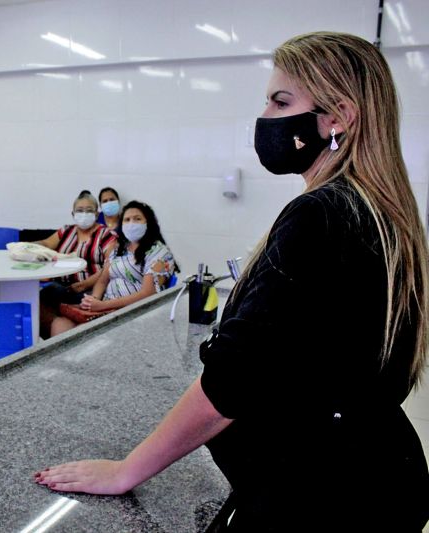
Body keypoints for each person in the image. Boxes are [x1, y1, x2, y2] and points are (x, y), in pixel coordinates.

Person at [35, 32, 429, 531]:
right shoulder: (377, 210)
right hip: (375, 474)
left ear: (339, 117)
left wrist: (126, 470)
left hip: (325, 494)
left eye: (281, 100)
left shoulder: (322, 214)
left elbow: (233, 382)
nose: (265, 116)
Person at [49, 201, 176, 336]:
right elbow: (103, 280)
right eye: (127, 220)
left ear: (148, 223)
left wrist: (103, 306)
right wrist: (94, 300)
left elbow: (147, 293)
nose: (131, 223)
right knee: (60, 324)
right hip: (105, 309)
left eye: (137, 219)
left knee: (76, 336)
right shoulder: (120, 249)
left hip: (133, 312)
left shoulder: (159, 253)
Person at [36, 190, 117, 338]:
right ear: (73, 213)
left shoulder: (106, 235)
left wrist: (84, 284)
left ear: (97, 213)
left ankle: (64, 333)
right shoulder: (66, 231)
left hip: (91, 289)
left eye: (89, 210)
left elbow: (109, 265)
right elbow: (47, 243)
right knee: (37, 301)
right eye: (79, 210)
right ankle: (59, 330)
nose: (84, 214)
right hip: (62, 287)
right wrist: (28, 246)